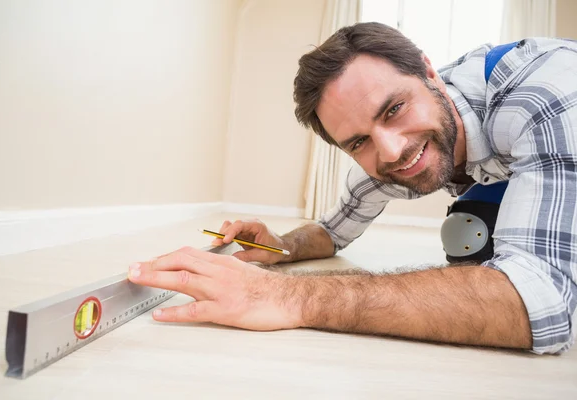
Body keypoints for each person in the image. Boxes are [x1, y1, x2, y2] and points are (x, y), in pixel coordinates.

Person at [127, 23, 577, 355]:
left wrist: (288, 295)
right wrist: (281, 247)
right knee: (469, 241)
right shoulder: (378, 160)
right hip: (522, 167)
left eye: (395, 109)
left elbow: (544, 304)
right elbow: (332, 231)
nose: (392, 150)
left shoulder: (542, 97)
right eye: (358, 141)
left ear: (429, 73)